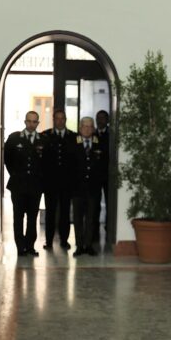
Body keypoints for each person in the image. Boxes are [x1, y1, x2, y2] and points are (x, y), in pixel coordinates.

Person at [4, 111, 46, 256]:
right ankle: (20, 247)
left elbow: (46, 164)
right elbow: (7, 159)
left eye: (34, 122)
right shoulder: (14, 138)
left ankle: (30, 246)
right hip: (18, 185)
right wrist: (15, 174)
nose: (31, 124)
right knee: (18, 217)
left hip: (35, 186)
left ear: (38, 123)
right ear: (24, 121)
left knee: (32, 217)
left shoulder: (42, 140)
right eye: (29, 121)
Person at [40, 108, 75, 250]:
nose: (60, 121)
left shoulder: (73, 136)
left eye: (62, 118)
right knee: (50, 212)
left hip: (67, 182)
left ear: (65, 120)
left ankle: (64, 240)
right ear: (53, 120)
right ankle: (48, 241)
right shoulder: (45, 135)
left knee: (65, 213)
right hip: (50, 183)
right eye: (57, 118)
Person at [70, 116, 105, 256]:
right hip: (77, 188)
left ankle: (89, 245)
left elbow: (103, 165)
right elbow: (68, 166)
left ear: (94, 128)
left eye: (90, 126)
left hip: (93, 188)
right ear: (80, 128)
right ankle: (79, 246)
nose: (88, 129)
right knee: (78, 219)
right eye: (85, 126)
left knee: (91, 218)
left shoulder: (99, 143)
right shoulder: (73, 143)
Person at [94, 109, 112, 245]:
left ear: (107, 120)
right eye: (98, 118)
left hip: (108, 174)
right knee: (95, 203)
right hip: (95, 174)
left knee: (110, 202)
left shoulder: (112, 134)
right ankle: (94, 230)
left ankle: (109, 227)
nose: (100, 121)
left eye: (102, 118)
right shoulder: (92, 134)